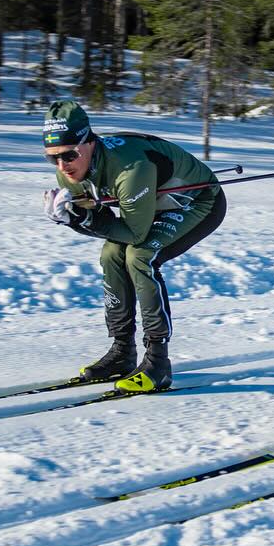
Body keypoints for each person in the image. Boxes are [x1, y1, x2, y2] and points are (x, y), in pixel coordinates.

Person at [42, 100, 226, 392]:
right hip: (152, 205)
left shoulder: (130, 169)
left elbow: (135, 233)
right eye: (53, 159)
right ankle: (122, 351)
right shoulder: (70, 172)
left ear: (89, 143)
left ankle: (158, 363)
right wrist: (75, 217)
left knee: (140, 257)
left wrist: (81, 219)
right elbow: (102, 218)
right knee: (111, 255)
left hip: (198, 201)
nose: (63, 166)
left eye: (69, 155)